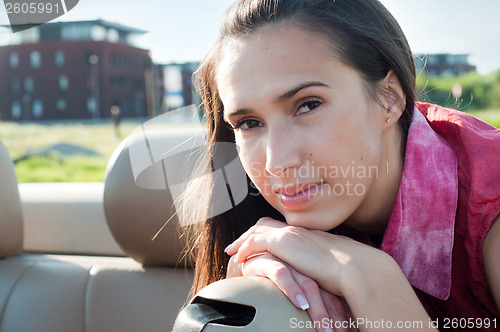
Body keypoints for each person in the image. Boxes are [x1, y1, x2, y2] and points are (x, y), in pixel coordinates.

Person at [180, 0, 500, 330]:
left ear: (389, 97)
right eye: (248, 123)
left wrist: (372, 281)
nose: (276, 163)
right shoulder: (267, 238)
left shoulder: (491, 198)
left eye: (308, 105)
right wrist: (251, 292)